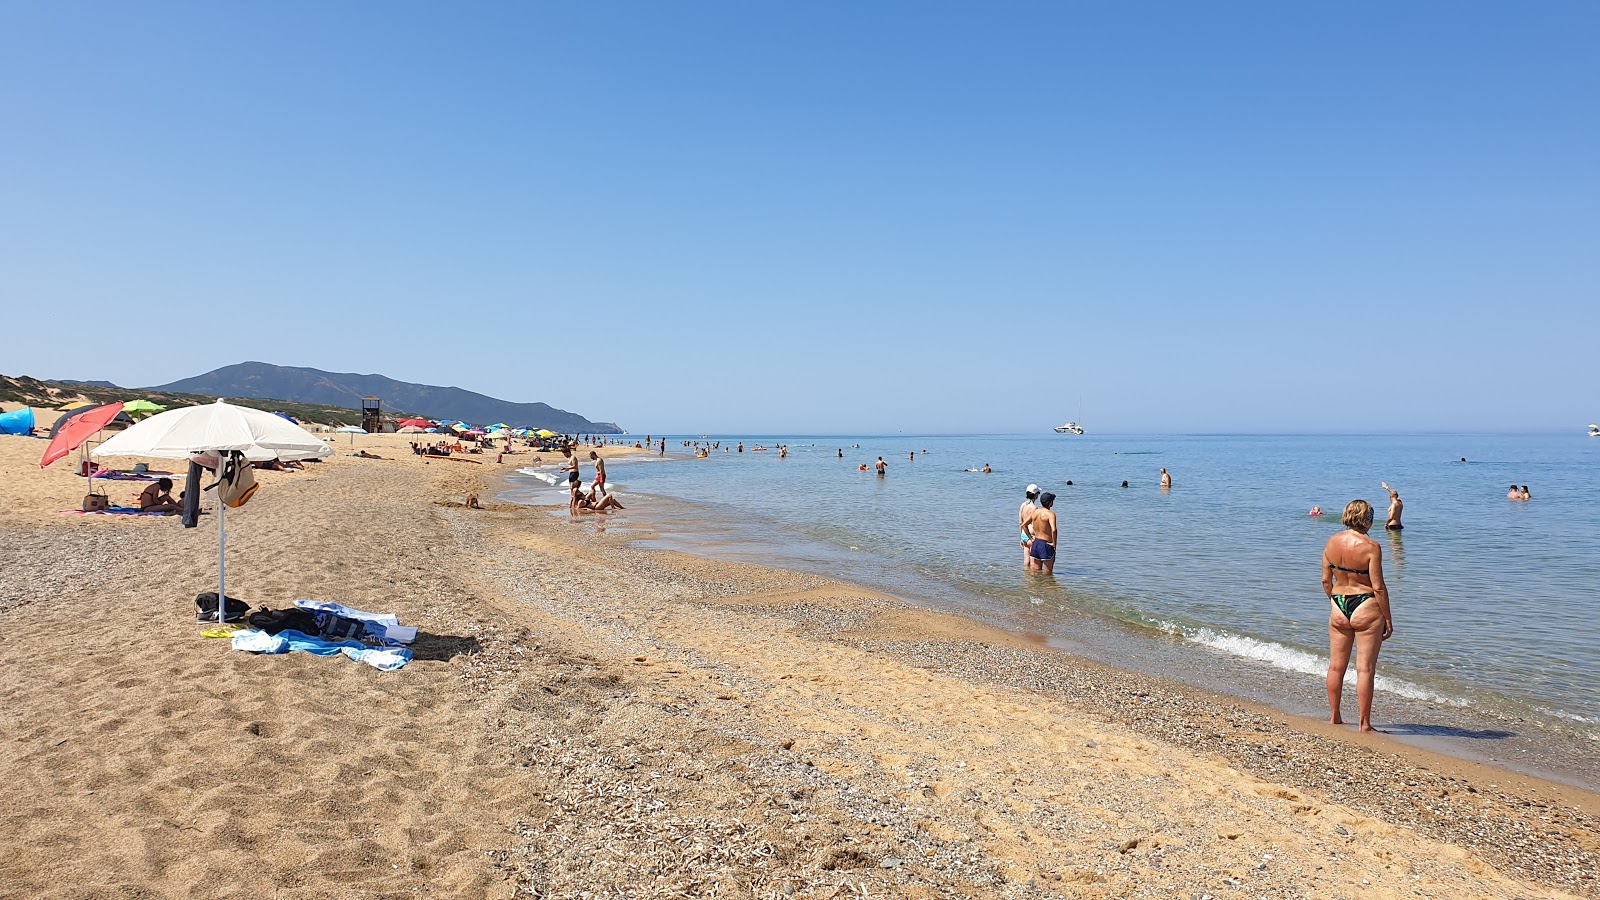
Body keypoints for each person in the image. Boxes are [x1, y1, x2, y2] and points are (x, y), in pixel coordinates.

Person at [1320, 499, 1392, 733]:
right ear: (1367, 519)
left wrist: (1334, 600)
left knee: (1336, 667)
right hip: (1366, 605)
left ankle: (1334, 717)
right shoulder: (1372, 547)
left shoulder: (1331, 542)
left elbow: (1325, 580)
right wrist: (1388, 618)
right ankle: (1364, 723)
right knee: (1365, 669)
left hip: (1339, 604)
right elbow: (1379, 587)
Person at [1024, 492, 1058, 574]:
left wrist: (1030, 537)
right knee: (1048, 575)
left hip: (1036, 543)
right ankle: (1045, 587)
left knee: (1035, 573)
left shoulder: (1035, 512)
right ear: (1050, 503)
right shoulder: (1051, 514)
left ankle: (1036, 587)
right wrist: (1054, 543)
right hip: (1046, 545)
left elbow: (1024, 525)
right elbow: (1054, 530)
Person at [1019, 485, 1040, 568]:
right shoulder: (1035, 508)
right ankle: (1032, 580)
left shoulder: (1023, 505)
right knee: (1033, 563)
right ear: (1036, 495)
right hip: (1031, 536)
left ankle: (1026, 578)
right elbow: (1036, 525)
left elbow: (1020, 522)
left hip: (1024, 535)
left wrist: (1021, 537)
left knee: (1026, 561)